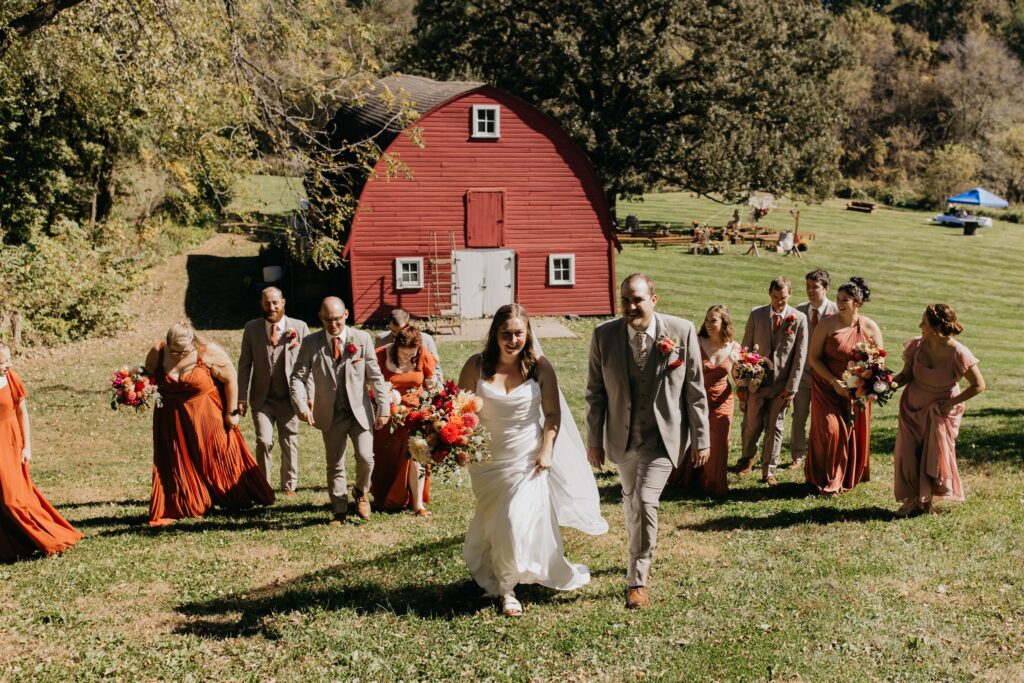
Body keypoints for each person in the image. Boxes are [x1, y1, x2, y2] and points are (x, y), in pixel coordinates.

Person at [460, 304, 606, 617]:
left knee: (513, 518)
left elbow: (553, 414)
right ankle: (500, 571)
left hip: (526, 456)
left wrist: (547, 449)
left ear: (528, 334)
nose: (513, 340)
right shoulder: (476, 365)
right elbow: (460, 411)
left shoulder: (540, 367)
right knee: (496, 519)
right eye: (506, 334)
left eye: (519, 333)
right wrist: (459, 442)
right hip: (486, 459)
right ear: (495, 334)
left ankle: (507, 589)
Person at [586, 274, 710, 609]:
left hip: (662, 439)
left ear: (654, 299)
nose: (630, 306)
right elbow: (595, 393)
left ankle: (636, 581)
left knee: (643, 501)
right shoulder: (603, 335)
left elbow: (695, 392)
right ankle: (638, 546)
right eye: (625, 299)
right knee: (630, 500)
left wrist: (701, 439)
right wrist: (594, 440)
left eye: (637, 299)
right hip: (622, 438)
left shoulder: (681, 332)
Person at [145, 323, 275, 526]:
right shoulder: (158, 351)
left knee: (215, 454)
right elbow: (148, 375)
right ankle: (190, 501)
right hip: (171, 418)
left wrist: (231, 412)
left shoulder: (209, 352)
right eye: (174, 351)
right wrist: (136, 388)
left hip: (207, 414)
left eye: (184, 351)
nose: (179, 355)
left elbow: (230, 378)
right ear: (167, 344)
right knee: (177, 459)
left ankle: (231, 495)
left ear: (193, 342)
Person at [289, 297, 390, 525]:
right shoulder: (311, 343)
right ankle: (339, 509)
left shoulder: (362, 339)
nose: (333, 325)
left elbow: (375, 375)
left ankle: (361, 493)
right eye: (327, 320)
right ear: (320, 317)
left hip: (359, 413)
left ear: (345, 314)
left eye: (337, 319)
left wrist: (383, 407)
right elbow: (297, 377)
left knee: (366, 458)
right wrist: (302, 405)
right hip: (330, 413)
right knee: (335, 462)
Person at [892, 305, 985, 516]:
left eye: (923, 322)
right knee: (906, 453)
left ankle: (925, 502)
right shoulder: (916, 346)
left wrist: (952, 403)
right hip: (912, 408)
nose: (919, 325)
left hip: (940, 412)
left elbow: (979, 385)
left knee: (932, 456)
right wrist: (887, 384)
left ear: (935, 328)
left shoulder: (958, 352)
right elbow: (905, 375)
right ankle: (912, 498)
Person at [0, 342, 83, 561]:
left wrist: (27, 446)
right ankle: (14, 547)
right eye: (3, 361)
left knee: (14, 499)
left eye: (8, 359)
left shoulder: (11, 379)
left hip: (9, 443)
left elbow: (22, 414)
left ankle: (48, 537)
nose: (8, 364)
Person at [804, 277, 883, 496]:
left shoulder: (870, 327)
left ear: (857, 302)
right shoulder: (827, 324)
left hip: (857, 390)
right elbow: (814, 358)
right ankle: (828, 477)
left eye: (845, 300)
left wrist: (865, 382)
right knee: (832, 430)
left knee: (853, 430)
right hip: (827, 386)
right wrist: (834, 381)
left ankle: (851, 473)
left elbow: (878, 361)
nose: (839, 303)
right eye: (838, 299)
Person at [237, 286, 311, 496]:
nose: (271, 307)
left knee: (289, 440)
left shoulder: (300, 327)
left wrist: (310, 396)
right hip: (263, 399)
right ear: (261, 304)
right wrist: (241, 397)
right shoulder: (252, 329)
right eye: (267, 303)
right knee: (264, 440)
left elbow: (310, 365)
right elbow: (244, 365)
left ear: (283, 302)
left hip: (290, 397)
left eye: (275, 302)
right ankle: (264, 485)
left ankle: (289, 485)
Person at [735, 276, 808, 485]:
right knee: (752, 424)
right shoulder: (757, 315)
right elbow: (745, 349)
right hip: (756, 383)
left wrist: (792, 387)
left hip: (782, 385)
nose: (779, 302)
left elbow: (799, 357)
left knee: (775, 427)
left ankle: (769, 470)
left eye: (783, 298)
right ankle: (747, 458)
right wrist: (742, 382)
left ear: (790, 295)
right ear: (770, 294)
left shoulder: (799, 319)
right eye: (776, 297)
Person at [370, 325, 438, 516]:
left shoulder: (423, 354)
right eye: (403, 354)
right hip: (388, 415)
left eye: (411, 354)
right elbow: (368, 381)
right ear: (395, 346)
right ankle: (388, 497)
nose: (407, 358)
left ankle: (418, 504)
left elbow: (432, 381)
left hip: (416, 414)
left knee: (417, 453)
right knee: (387, 457)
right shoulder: (381, 355)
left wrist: (431, 384)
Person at [670, 305, 737, 497]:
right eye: (706, 320)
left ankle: (714, 484)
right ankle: (690, 479)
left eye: (713, 320)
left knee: (719, 442)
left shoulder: (734, 347)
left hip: (723, 401)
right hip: (697, 398)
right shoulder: (696, 342)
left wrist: (745, 373)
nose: (708, 324)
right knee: (694, 438)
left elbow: (737, 379)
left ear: (724, 322)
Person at [788, 269, 839, 469]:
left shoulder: (837, 311)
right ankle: (797, 454)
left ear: (826, 289)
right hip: (804, 374)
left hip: (827, 375)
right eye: (808, 286)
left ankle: (822, 452)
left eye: (815, 287)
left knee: (824, 418)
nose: (810, 290)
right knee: (799, 415)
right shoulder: (798, 311)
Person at [376, 309, 443, 383]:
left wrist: (438, 385)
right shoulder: (381, 340)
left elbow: (436, 369)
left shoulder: (426, 340)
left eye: (401, 331)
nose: (397, 336)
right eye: (393, 331)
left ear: (410, 325)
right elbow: (376, 369)